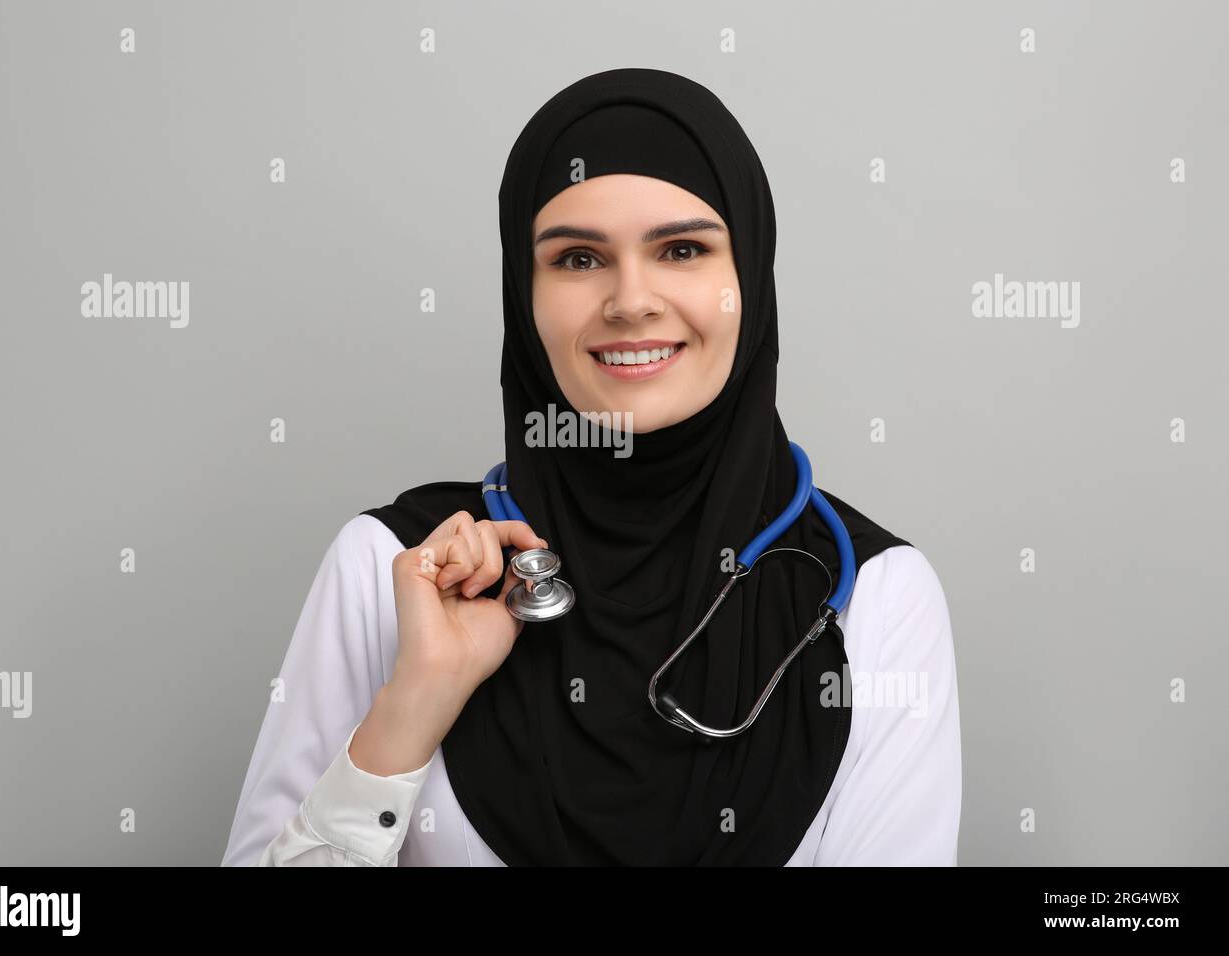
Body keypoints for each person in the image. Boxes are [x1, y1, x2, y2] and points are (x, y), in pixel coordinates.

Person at [221, 67, 961, 867]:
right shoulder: (395, 570)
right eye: (578, 259)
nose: (631, 300)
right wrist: (413, 706)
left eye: (682, 249)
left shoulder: (877, 597)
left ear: (747, 277)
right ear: (522, 293)